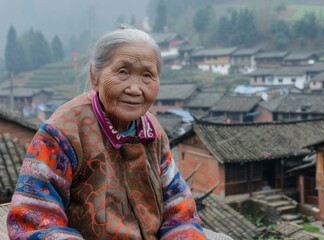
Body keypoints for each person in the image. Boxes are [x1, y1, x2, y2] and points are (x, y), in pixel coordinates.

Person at [7, 26, 205, 240]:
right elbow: (33, 218)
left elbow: (179, 209)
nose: (135, 89)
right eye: (122, 72)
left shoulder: (153, 133)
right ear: (95, 76)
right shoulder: (61, 133)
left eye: (147, 75)